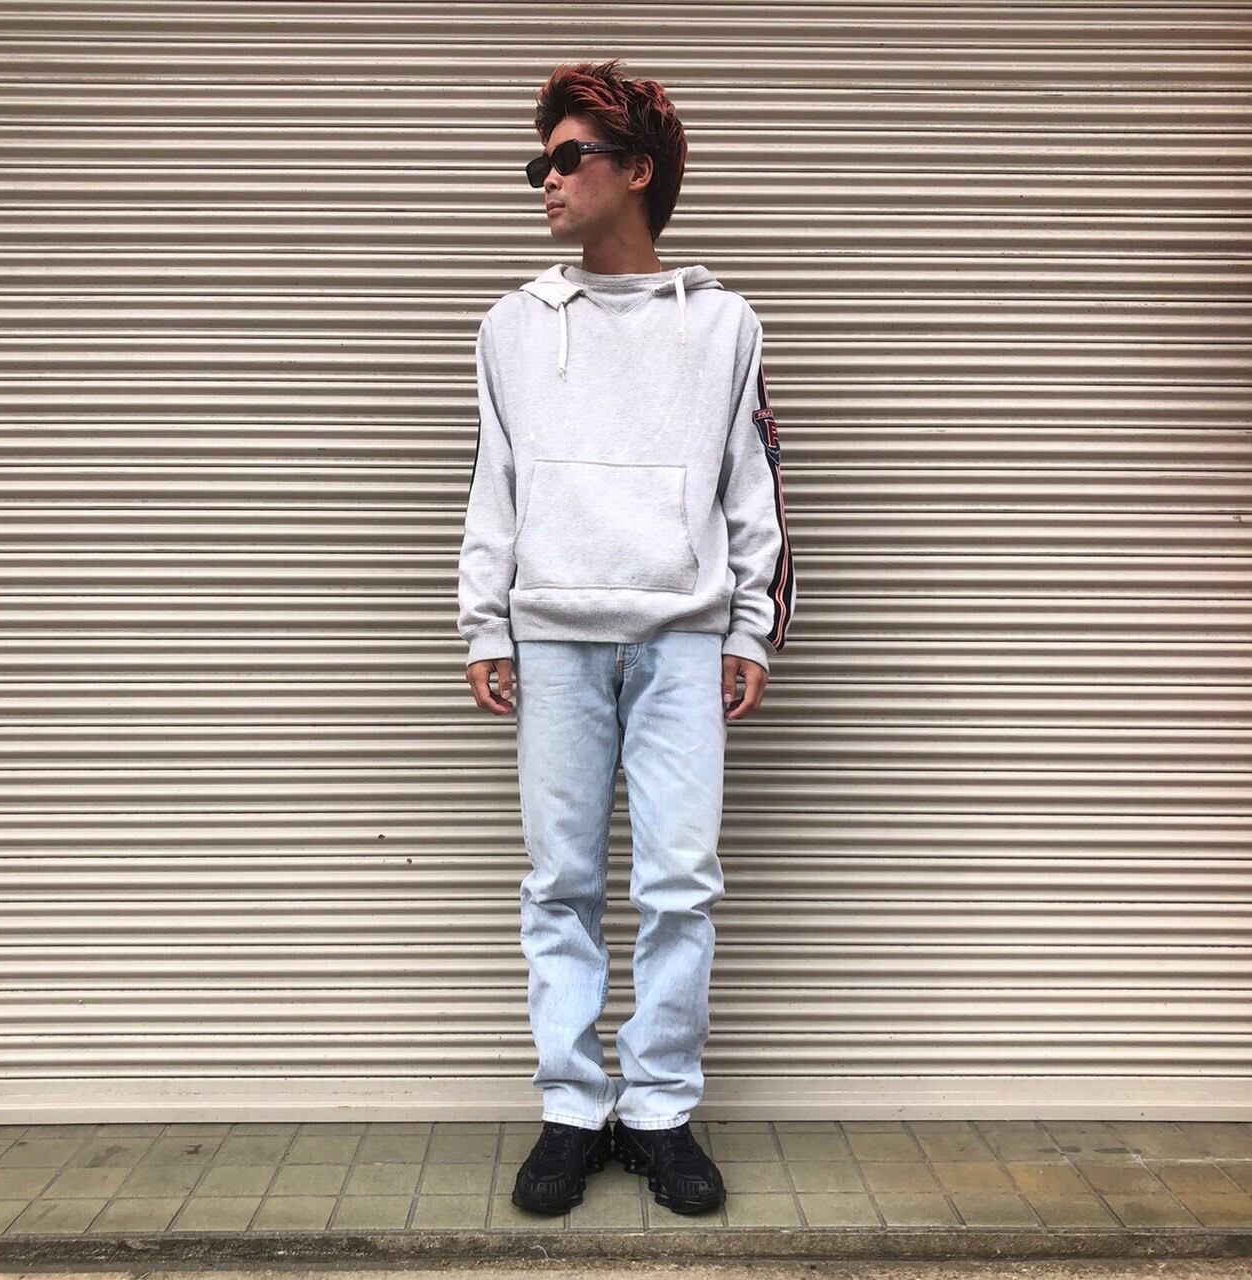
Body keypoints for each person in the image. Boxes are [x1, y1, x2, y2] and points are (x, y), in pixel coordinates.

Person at [456, 58, 796, 1217]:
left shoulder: (723, 324)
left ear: (635, 171)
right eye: (537, 163)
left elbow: (751, 484)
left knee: (679, 883)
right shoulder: (511, 326)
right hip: (552, 637)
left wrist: (750, 626)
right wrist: (483, 620)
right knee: (557, 882)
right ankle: (570, 1106)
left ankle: (656, 1110)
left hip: (682, 638)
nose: (543, 180)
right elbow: (493, 487)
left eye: (565, 158)